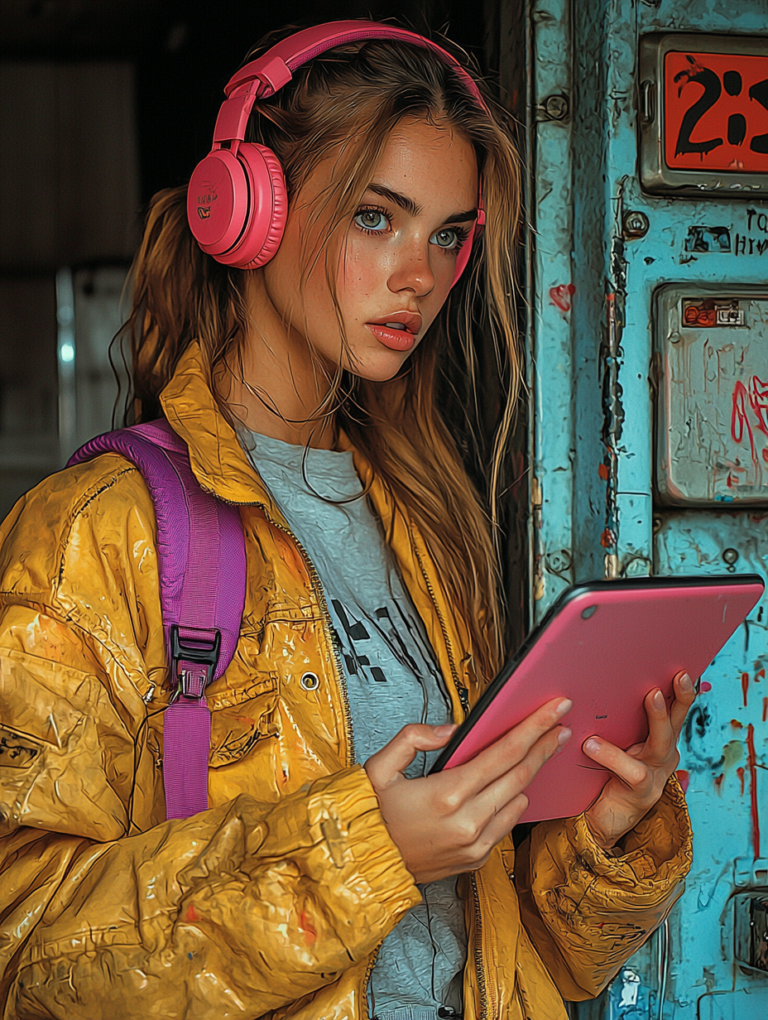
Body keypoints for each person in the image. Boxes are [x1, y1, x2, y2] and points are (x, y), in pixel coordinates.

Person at [0, 20, 693, 1020]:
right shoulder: (94, 535)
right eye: (378, 217)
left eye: (448, 233)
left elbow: (524, 955)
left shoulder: (430, 523)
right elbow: (26, 954)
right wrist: (364, 852)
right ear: (252, 214)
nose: (419, 272)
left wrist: (608, 836)